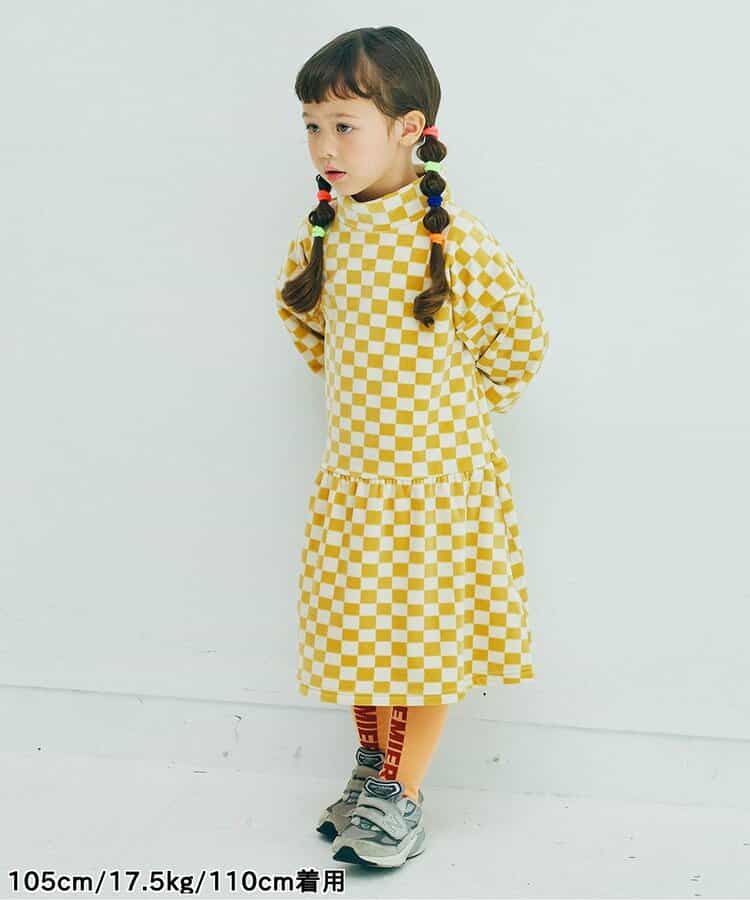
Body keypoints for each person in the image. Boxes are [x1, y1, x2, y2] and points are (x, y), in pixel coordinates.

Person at [275, 26, 550, 869]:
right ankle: (373, 769)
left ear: (408, 127)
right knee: (364, 633)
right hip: (361, 481)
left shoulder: (454, 240)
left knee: (422, 646)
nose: (325, 146)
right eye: (313, 126)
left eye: (344, 125)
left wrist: (452, 415)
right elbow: (308, 326)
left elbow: (521, 342)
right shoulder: (323, 236)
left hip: (434, 486)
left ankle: (403, 792)